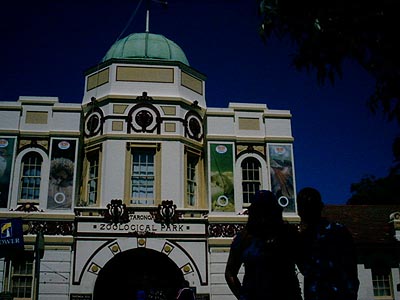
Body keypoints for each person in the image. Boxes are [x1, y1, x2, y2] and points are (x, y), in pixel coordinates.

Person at [225, 190, 302, 300]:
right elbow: (230, 272)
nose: (263, 218)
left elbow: (305, 266)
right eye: (259, 212)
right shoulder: (244, 239)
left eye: (267, 211)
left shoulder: (289, 235)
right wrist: (242, 296)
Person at [296, 187, 359, 300]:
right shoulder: (303, 239)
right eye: (303, 207)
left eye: (308, 206)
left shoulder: (338, 232)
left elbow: (350, 269)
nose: (304, 211)